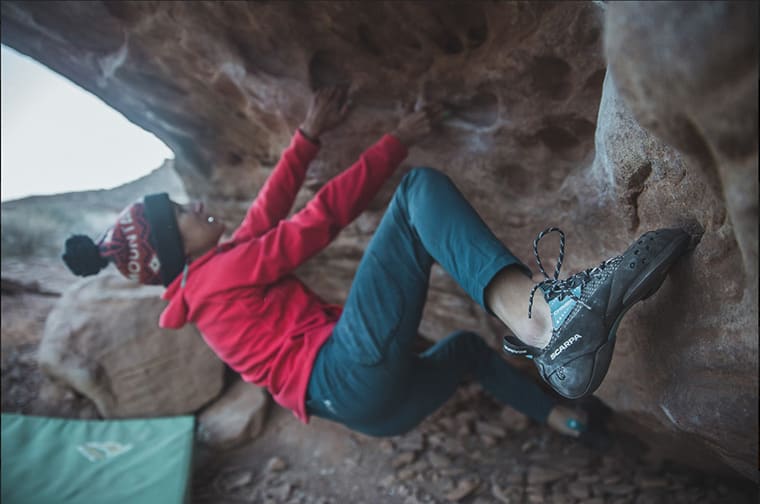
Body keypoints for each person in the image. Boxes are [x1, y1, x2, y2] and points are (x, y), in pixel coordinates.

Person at [62, 86, 689, 439]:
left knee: (466, 352)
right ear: (178, 250)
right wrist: (400, 140)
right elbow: (316, 224)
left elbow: (267, 213)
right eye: (182, 212)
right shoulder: (219, 274)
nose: (196, 204)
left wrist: (306, 137)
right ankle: (546, 324)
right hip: (346, 372)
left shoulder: (208, 280)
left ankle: (565, 418)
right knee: (417, 195)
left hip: (370, 413)